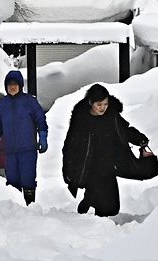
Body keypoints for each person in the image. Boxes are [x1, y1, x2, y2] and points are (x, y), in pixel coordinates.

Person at [62, 83, 150, 218]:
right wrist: (68, 170)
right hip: (89, 166)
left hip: (109, 164)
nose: (103, 108)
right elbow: (69, 147)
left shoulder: (112, 116)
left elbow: (124, 130)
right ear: (91, 103)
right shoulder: (81, 120)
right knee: (104, 205)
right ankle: (99, 227)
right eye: (99, 105)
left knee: (113, 206)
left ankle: (88, 201)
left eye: (105, 104)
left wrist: (139, 139)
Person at [0, 70, 48, 204]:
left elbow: (41, 120)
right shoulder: (2, 105)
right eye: (10, 84)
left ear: (20, 85)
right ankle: (15, 210)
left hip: (28, 149)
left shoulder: (30, 102)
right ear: (6, 86)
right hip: (10, 150)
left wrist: (43, 137)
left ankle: (30, 206)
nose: (12, 87)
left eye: (15, 84)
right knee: (12, 180)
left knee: (28, 179)